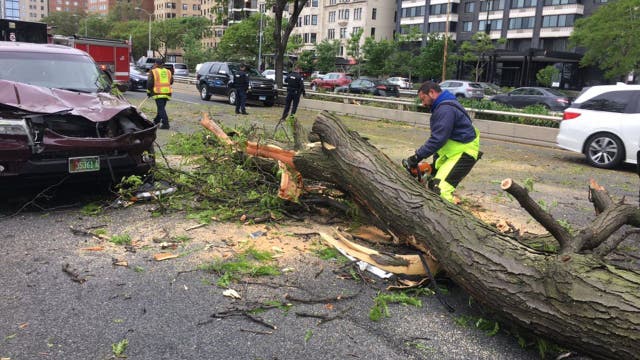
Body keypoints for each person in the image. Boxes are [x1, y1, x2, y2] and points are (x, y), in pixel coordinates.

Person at [405, 81, 481, 203]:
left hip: (463, 154)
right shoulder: (445, 106)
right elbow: (444, 140)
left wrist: (416, 157)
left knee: (440, 191)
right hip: (452, 153)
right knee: (431, 182)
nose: (423, 103)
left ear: (432, 93)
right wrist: (431, 166)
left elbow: (438, 139)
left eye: (423, 98)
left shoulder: (445, 109)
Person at [146, 58, 173, 129]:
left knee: (161, 109)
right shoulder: (168, 71)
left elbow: (149, 83)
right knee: (161, 108)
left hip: (158, 92)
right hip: (167, 92)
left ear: (156, 64)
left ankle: (166, 124)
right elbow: (171, 81)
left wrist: (149, 92)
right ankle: (156, 121)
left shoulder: (153, 71)